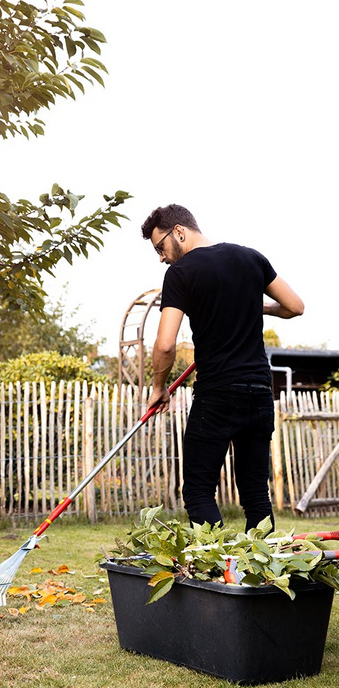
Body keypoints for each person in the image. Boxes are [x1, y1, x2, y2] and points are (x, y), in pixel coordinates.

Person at [142, 204, 304, 531]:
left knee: (199, 491)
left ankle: (223, 569)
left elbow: (164, 344)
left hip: (217, 395)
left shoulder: (181, 273)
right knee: (256, 494)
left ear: (180, 232)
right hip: (259, 392)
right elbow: (294, 306)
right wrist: (253, 304)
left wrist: (159, 388)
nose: (161, 257)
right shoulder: (250, 258)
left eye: (160, 247)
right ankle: (260, 576)